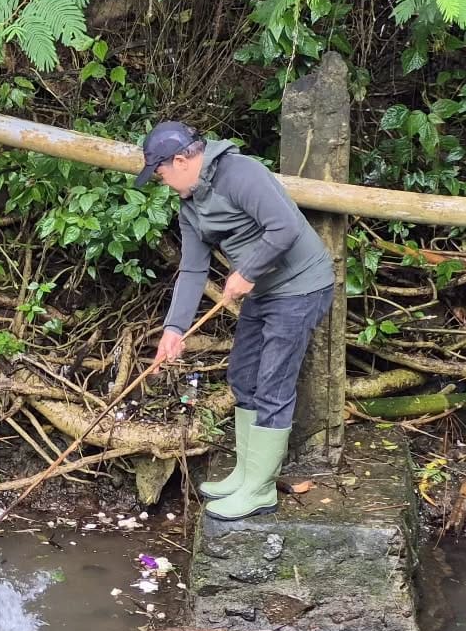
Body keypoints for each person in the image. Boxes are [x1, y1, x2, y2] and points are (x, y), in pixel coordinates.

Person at [138, 121, 335, 521]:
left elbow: (285, 227)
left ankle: (260, 490)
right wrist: (173, 330)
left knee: (273, 384)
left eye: (161, 174)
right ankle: (245, 474)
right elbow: (193, 271)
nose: (163, 182)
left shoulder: (239, 173)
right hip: (263, 292)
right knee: (243, 377)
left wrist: (246, 271)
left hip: (300, 287)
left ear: (181, 160)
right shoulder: (190, 205)